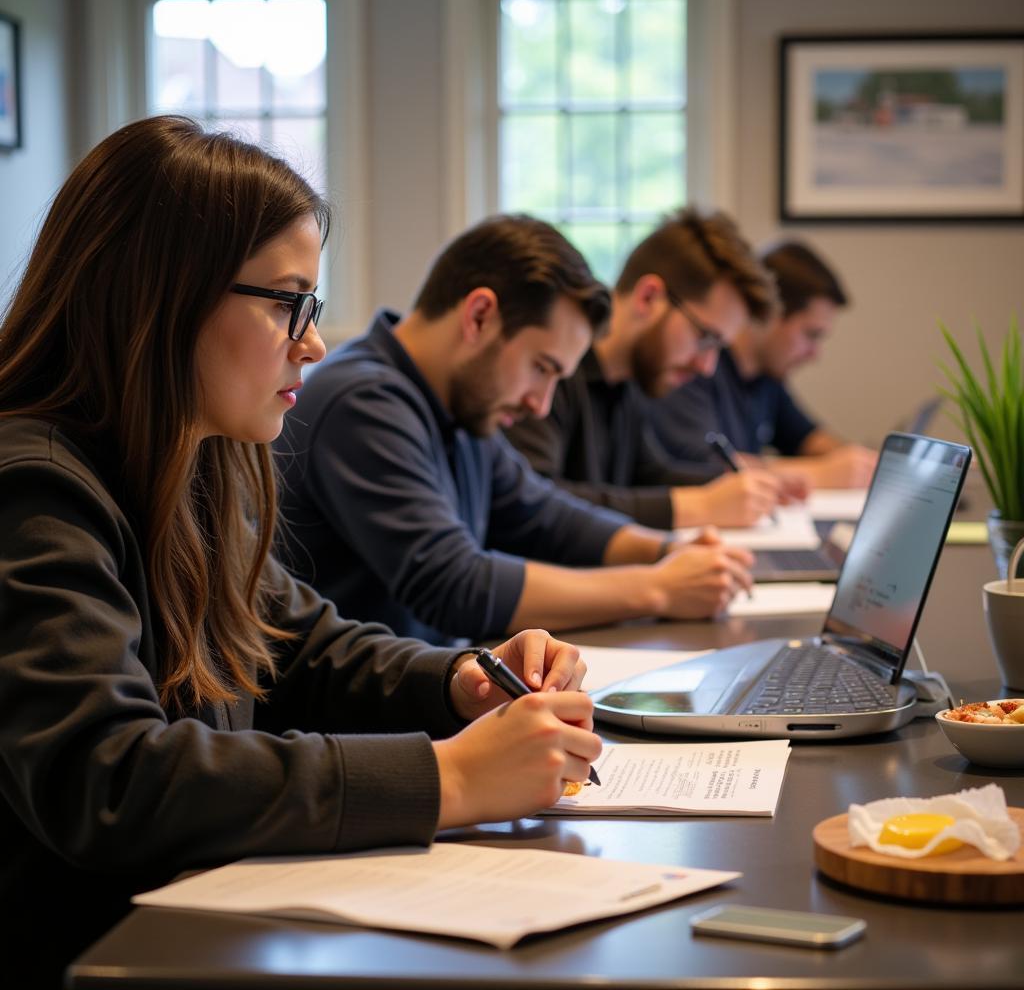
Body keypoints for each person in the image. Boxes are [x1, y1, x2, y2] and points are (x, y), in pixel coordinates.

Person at [0, 117, 601, 987]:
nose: (313, 341)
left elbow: (303, 646)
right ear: (160, 296)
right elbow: (111, 779)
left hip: (198, 926)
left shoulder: (191, 460)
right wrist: (449, 779)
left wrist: (459, 679)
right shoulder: (34, 489)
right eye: (289, 302)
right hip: (97, 958)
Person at [275, 214, 754, 648]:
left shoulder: (454, 404)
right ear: (479, 316)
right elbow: (454, 585)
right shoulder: (363, 401)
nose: (540, 404)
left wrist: (668, 551)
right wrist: (660, 589)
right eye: (540, 368)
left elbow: (543, 515)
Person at [506, 207, 801, 530]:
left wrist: (740, 483)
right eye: (704, 338)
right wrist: (697, 507)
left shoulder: (626, 383)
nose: (707, 366)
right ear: (648, 298)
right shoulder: (552, 371)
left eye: (719, 348)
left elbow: (648, 474)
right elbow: (532, 500)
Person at [647, 239, 877, 488]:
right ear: (770, 314)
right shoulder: (695, 367)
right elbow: (706, 467)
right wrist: (819, 474)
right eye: (811, 335)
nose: (815, 354)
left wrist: (859, 462)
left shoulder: (766, 379)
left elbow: (808, 437)